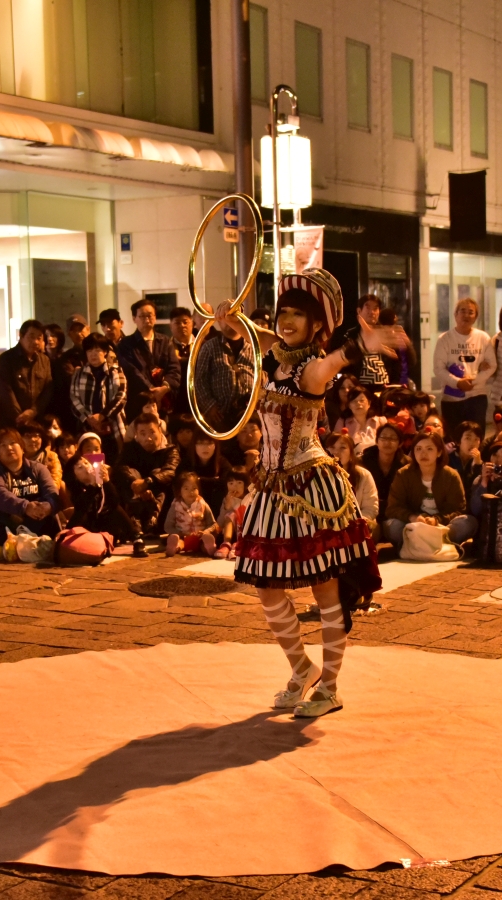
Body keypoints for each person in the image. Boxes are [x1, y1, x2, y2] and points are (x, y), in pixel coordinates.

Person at [213, 269, 394, 719]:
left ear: (317, 325)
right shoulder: (274, 353)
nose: (288, 320)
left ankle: (329, 686)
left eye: (299, 314)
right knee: (267, 588)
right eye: (284, 313)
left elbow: (333, 363)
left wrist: (359, 346)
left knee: (323, 589)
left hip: (311, 489)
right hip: (272, 488)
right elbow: (251, 331)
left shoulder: (311, 369)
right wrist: (227, 320)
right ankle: (302, 669)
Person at [382, 431, 475, 551]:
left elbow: (458, 509)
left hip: (441, 526)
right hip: (413, 525)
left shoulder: (451, 475)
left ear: (439, 452)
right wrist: (412, 517)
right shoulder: (403, 474)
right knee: (391, 526)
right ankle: (435, 544)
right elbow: (393, 508)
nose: (423, 453)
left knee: (468, 522)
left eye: (429, 449)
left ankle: (418, 545)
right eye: (418, 449)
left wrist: (437, 520)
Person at [0, 428, 60, 550]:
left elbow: (51, 492)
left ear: (22, 448)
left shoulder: (38, 469)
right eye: (3, 445)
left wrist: (48, 506)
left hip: (37, 518)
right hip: (7, 523)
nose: (9, 448)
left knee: (51, 522)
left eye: (12, 443)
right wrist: (25, 507)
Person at [432, 297, 492, 437]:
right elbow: (438, 368)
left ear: (475, 317)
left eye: (471, 312)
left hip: (477, 396)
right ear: (455, 314)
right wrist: (458, 382)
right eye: (462, 311)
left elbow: (491, 365)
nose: (466, 315)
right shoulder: (445, 339)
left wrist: (473, 381)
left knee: (476, 437)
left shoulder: (483, 338)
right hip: (451, 399)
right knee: (452, 438)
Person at [116, 412, 179, 533]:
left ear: (159, 430)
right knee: (130, 473)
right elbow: (119, 468)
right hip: (135, 493)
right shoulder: (130, 448)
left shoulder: (170, 449)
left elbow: (171, 471)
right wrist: (134, 482)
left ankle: (153, 518)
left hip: (157, 495)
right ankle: (135, 520)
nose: (148, 438)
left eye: (152, 432)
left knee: (159, 473)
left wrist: (148, 482)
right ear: (136, 434)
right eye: (143, 434)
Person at [117, 298, 181, 412]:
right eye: (142, 316)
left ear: (155, 317)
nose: (147, 320)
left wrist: (164, 388)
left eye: (150, 315)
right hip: (138, 402)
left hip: (164, 401)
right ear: (134, 318)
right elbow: (132, 372)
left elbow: (174, 368)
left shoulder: (165, 341)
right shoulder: (126, 344)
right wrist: (152, 391)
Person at [70, 333, 127, 457]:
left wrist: (102, 416)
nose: (93, 354)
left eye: (97, 350)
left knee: (115, 459)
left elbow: (121, 396)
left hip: (112, 426)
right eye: (89, 350)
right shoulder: (79, 373)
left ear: (105, 352)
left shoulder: (116, 371)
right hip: (86, 426)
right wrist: (89, 418)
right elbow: (74, 398)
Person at [0, 320, 53, 432]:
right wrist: (20, 416)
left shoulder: (44, 360)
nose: (35, 341)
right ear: (21, 336)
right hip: (11, 421)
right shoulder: (6, 359)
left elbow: (47, 390)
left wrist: (34, 411)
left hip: (36, 420)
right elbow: (5, 390)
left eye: (39, 338)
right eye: (31, 337)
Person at [325, 432, 379, 538]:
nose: (336, 452)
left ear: (351, 453)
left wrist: (352, 524)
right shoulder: (319, 476)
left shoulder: (363, 475)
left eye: (342, 448)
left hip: (358, 525)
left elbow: (371, 508)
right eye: (332, 447)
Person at [328, 294, 389, 385]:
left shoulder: (385, 334)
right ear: (359, 311)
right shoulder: (350, 335)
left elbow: (398, 362)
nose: (372, 312)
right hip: (359, 386)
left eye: (375, 308)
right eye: (368, 308)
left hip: (385, 385)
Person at [359, 422, 409, 525]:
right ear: (376, 441)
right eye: (383, 438)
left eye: (392, 438)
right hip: (367, 511)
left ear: (400, 444)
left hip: (395, 513)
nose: (387, 442)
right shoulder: (363, 461)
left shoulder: (407, 464)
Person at [163, 472, 221, 558]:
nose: (191, 492)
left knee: (203, 543)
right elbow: (168, 525)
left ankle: (210, 548)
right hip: (183, 536)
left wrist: (205, 532)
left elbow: (212, 523)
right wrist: (179, 533)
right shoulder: (175, 506)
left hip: (199, 537)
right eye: (186, 488)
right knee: (179, 542)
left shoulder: (203, 504)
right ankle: (174, 547)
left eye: (194, 488)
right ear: (179, 491)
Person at [334, 385, 386, 454]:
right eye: (354, 401)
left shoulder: (381, 421)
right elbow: (336, 446)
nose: (358, 403)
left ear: (369, 403)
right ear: (349, 405)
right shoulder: (342, 422)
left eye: (362, 400)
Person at [170, 306, 195, 416]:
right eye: (177, 323)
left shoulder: (203, 345)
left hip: (197, 400)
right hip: (174, 402)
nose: (182, 326)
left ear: (192, 323)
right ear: (170, 326)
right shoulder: (165, 347)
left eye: (185, 322)